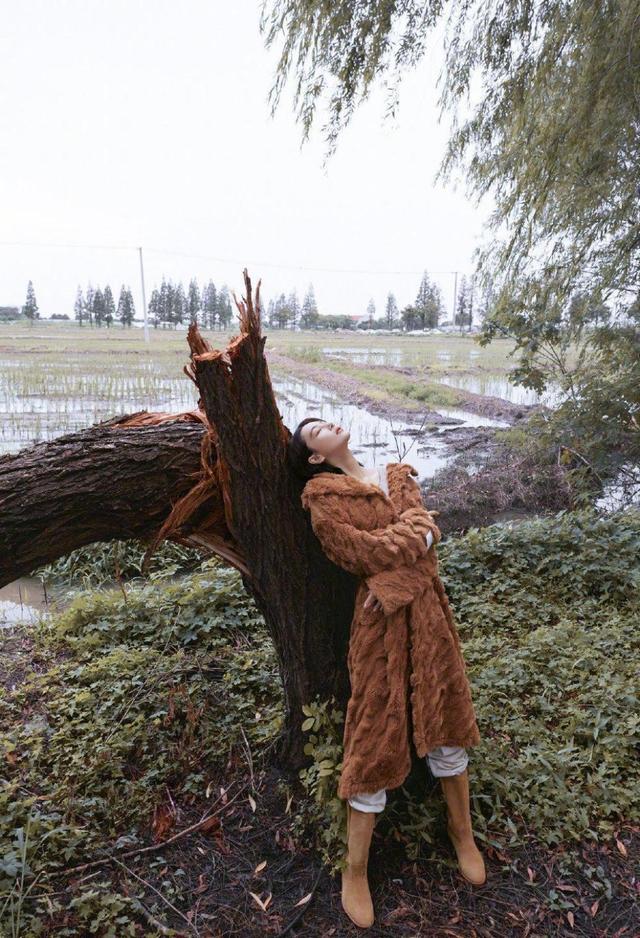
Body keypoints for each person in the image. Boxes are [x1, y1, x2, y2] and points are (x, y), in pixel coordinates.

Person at [288, 416, 486, 930]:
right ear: (314, 457)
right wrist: (411, 540)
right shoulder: (323, 500)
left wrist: (401, 560)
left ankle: (461, 832)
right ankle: (355, 870)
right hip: (376, 626)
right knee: (374, 728)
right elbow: (360, 553)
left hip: (428, 615)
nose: (326, 423)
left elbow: (428, 539)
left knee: (444, 708)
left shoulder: (397, 474)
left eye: (324, 419)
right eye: (314, 431)